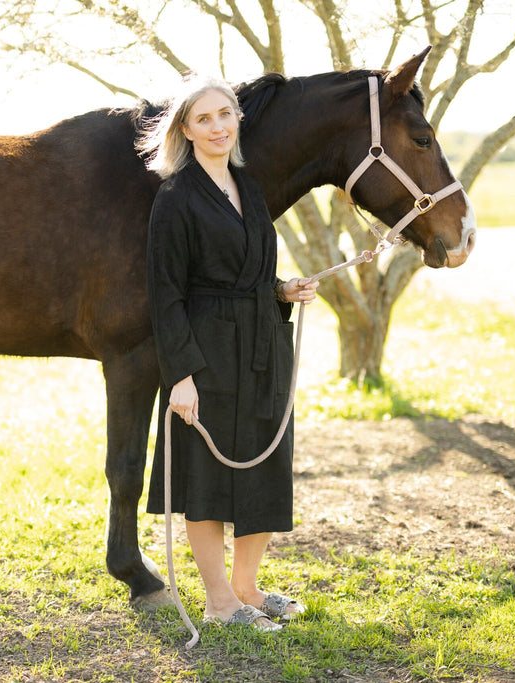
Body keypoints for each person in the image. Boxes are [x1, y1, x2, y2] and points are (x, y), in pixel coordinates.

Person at [138, 76, 318, 631]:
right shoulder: (175, 198)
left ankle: (246, 588)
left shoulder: (250, 187)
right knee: (207, 479)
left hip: (263, 347)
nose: (218, 127)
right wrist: (181, 377)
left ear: (238, 118)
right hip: (206, 353)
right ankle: (218, 603)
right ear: (186, 130)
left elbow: (252, 274)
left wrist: (282, 290)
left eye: (225, 114)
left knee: (263, 468)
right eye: (204, 119)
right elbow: (166, 295)